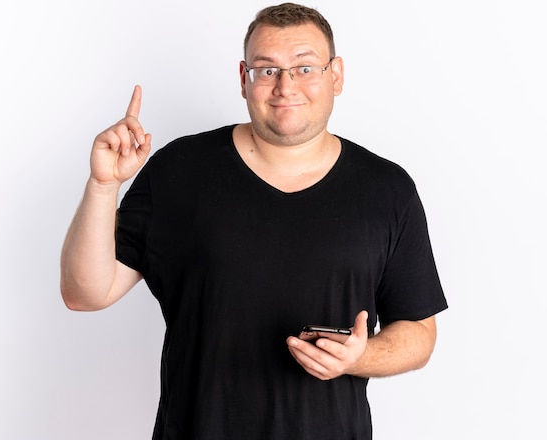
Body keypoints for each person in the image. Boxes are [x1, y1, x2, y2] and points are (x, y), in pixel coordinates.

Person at [60, 3, 448, 439]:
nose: (285, 86)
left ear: (335, 75)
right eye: (267, 70)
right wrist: (101, 186)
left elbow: (419, 333)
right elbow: (84, 293)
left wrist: (360, 358)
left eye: (305, 68)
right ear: (243, 78)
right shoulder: (179, 170)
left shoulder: (387, 189)